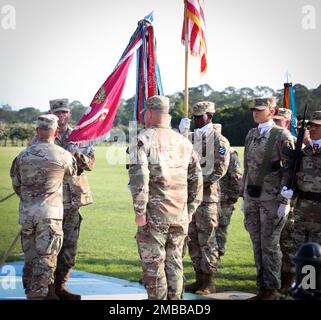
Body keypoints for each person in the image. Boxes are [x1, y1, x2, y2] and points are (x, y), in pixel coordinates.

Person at [128, 95, 203, 300]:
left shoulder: (143, 139)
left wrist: (140, 211)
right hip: (179, 214)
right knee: (175, 261)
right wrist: (190, 209)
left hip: (155, 214)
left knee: (154, 264)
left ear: (150, 113)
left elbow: (140, 178)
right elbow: (196, 179)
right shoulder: (183, 141)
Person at [10, 115, 76, 300]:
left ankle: (31, 292)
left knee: (30, 259)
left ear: (37, 131)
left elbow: (17, 184)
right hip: (50, 216)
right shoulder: (63, 155)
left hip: (28, 215)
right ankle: (38, 295)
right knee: (46, 260)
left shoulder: (23, 155)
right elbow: (71, 179)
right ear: (55, 131)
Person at [240, 97, 295, 300]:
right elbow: (247, 167)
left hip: (272, 198)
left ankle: (271, 289)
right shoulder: (251, 134)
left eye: (260, 110)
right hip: (253, 197)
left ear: (272, 111)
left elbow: (290, 169)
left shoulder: (281, 135)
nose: (255, 113)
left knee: (270, 245)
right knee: (257, 243)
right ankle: (261, 288)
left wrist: (285, 200)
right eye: (254, 109)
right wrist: (243, 195)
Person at [179, 102, 230, 294]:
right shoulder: (192, 138)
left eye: (200, 117)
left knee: (207, 239)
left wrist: (196, 183)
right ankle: (199, 278)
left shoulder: (218, 140)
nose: (196, 120)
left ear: (210, 116)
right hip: (190, 198)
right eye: (194, 117)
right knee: (192, 238)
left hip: (207, 198)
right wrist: (182, 134)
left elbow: (219, 170)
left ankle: (209, 280)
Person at [49, 99, 95, 300]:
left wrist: (78, 156)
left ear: (69, 114)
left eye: (64, 112)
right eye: (57, 112)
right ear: (51, 113)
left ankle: (61, 286)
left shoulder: (79, 136)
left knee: (69, 247)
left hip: (73, 199)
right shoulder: (42, 135)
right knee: (48, 246)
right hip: (50, 201)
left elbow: (91, 163)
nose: (61, 116)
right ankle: (47, 289)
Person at [273, 108, 296, 292]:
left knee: (287, 239)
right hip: (274, 195)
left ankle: (288, 279)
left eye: (279, 120)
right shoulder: (274, 140)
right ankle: (281, 276)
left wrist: (286, 201)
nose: (276, 123)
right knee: (278, 239)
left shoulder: (289, 140)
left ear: (287, 122)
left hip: (290, 199)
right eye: (274, 119)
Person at [291, 111, 321, 253]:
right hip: (301, 210)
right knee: (300, 252)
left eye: (317, 126)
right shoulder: (303, 152)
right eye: (310, 126)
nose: (312, 129)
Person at [213, 124, 243, 258]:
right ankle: (210, 257)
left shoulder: (230, 153)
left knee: (221, 229)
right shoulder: (206, 152)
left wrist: (233, 197)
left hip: (224, 199)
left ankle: (218, 254)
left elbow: (236, 177)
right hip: (210, 199)